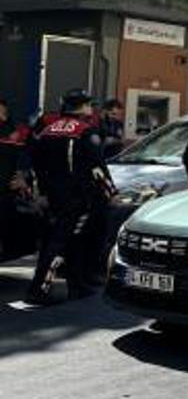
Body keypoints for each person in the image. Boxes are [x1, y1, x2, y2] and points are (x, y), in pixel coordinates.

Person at [26, 90, 116, 305]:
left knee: (70, 240)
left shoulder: (48, 130)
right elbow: (97, 168)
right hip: (77, 197)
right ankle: (39, 290)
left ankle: (78, 286)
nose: (91, 108)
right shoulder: (85, 131)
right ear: (83, 107)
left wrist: (42, 193)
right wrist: (111, 193)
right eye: (89, 105)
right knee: (61, 243)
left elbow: (37, 165)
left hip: (54, 197)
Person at [0, 99, 35, 260]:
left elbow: (26, 155)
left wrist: (24, 175)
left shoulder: (14, 132)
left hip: (7, 191)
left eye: (3, 112)